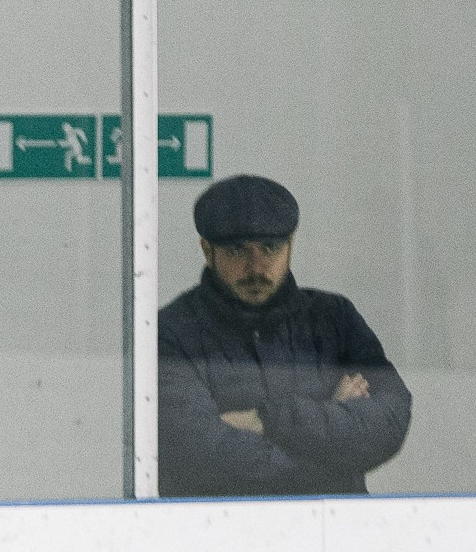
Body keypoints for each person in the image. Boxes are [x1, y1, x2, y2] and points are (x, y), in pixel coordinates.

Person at [158, 175, 409, 497]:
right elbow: (202, 455)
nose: (257, 267)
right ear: (207, 251)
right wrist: (333, 427)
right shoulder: (171, 332)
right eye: (237, 251)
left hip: (334, 532)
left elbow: (388, 421)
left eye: (271, 248)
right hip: (219, 536)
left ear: (290, 245)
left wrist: (267, 419)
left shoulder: (334, 317)